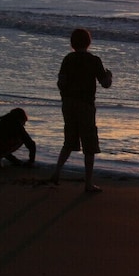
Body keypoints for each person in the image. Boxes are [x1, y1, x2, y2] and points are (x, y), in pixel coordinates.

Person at [49, 28, 113, 192]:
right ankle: (88, 183)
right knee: (89, 145)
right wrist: (109, 76)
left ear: (72, 43)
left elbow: (61, 83)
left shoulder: (68, 59)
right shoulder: (94, 60)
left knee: (69, 141)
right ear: (89, 42)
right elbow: (105, 84)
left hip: (68, 103)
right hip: (85, 105)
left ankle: (56, 172)